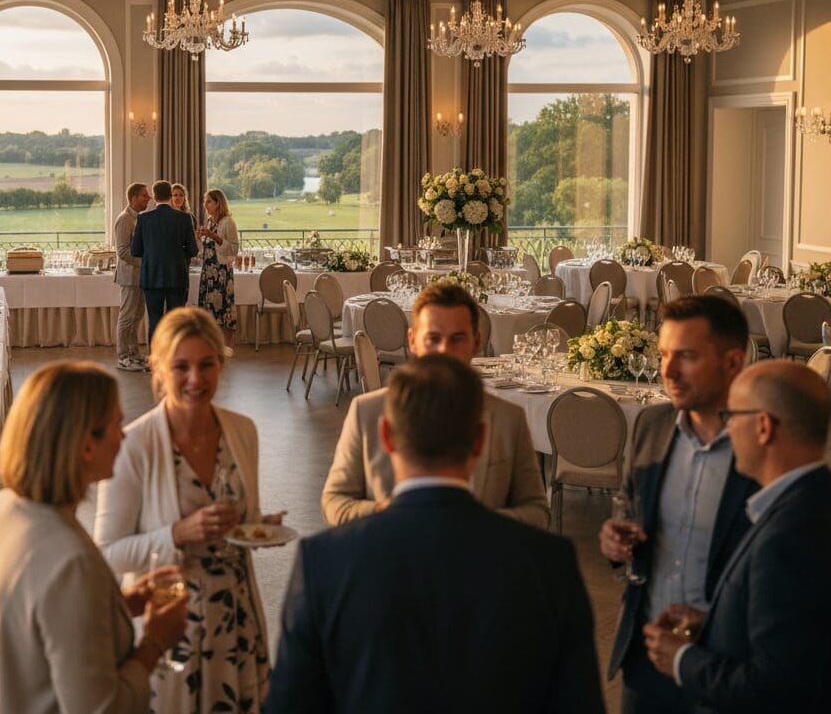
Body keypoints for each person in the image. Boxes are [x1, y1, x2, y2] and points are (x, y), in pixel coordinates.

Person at [265, 354, 604, 714]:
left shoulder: (324, 562)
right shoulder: (549, 562)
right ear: (479, 440)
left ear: (386, 437)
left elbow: (291, 705)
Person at [0, 361, 187, 714]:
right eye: (115, 424)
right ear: (85, 445)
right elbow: (102, 708)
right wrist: (155, 641)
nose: (124, 435)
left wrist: (120, 606)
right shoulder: (71, 561)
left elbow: (35, 628)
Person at [95, 307, 277, 714]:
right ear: (157, 367)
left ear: (221, 363)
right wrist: (178, 533)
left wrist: (256, 525)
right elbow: (106, 553)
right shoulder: (134, 445)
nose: (196, 379)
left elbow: (236, 524)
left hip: (236, 619)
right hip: (171, 629)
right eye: (181, 367)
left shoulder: (243, 431)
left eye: (206, 364)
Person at [600, 294, 758, 714]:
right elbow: (630, 509)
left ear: (732, 363)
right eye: (664, 354)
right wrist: (616, 547)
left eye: (685, 356)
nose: (667, 370)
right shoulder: (650, 427)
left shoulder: (763, 446)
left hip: (726, 664)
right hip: (647, 655)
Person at [643, 360, 831, 712]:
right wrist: (715, 625)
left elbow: (776, 688)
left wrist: (683, 659)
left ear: (763, 427)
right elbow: (802, 634)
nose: (726, 430)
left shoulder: (788, 536)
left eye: (731, 417)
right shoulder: (812, 501)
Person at [321, 281, 549, 527]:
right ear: (412, 341)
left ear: (477, 342)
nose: (444, 350)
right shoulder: (366, 411)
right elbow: (336, 501)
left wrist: (479, 522)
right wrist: (386, 512)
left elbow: (537, 511)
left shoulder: (508, 418)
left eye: (457, 339)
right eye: (433, 338)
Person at [131, 180, 198, 341]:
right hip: (177, 275)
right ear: (170, 195)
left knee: (155, 320)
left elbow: (135, 251)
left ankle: (155, 359)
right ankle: (174, 359)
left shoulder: (144, 219)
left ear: (154, 196)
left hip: (152, 276)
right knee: (176, 322)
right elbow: (193, 250)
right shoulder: (184, 218)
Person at [196, 189, 239, 351]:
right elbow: (205, 250)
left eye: (208, 202)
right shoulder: (209, 221)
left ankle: (227, 346)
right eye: (204, 202)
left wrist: (213, 236)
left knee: (223, 309)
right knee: (208, 309)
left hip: (221, 272)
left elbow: (234, 249)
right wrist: (200, 238)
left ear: (218, 203)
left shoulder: (228, 222)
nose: (205, 205)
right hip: (208, 271)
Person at [115, 182, 151, 372]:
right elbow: (122, 252)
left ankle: (134, 352)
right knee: (127, 316)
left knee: (137, 316)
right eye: (144, 196)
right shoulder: (124, 219)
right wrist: (144, 262)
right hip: (129, 277)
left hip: (140, 277)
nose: (148, 199)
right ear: (133, 198)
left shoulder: (141, 218)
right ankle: (122, 356)